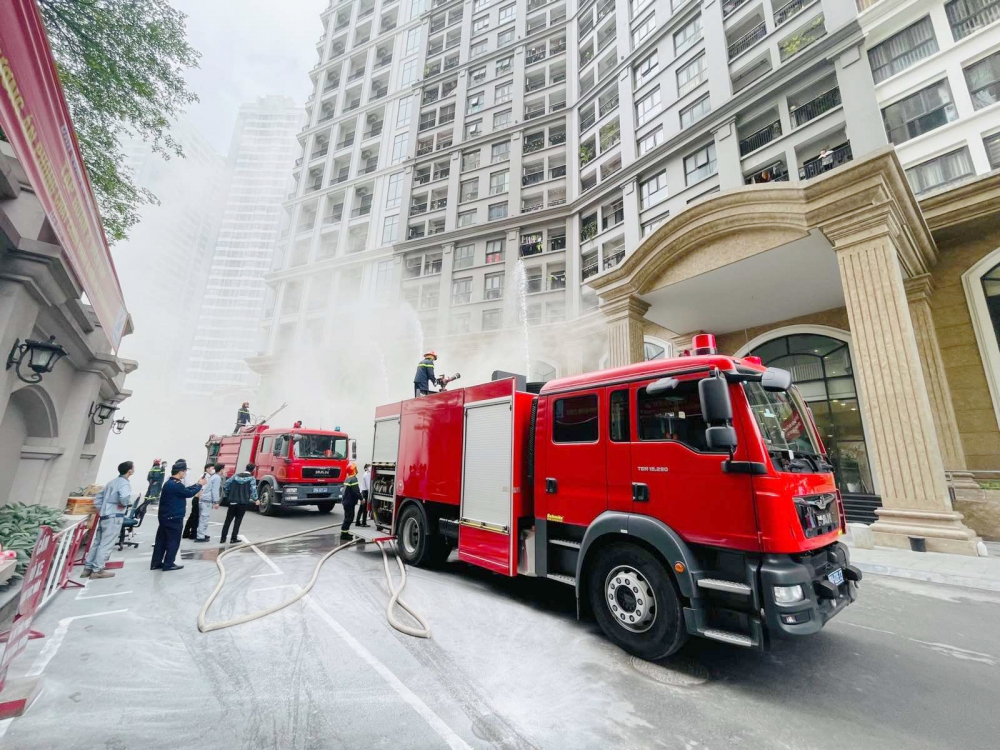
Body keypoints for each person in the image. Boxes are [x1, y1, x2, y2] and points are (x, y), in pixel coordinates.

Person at [82, 461, 134, 579]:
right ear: (129, 471)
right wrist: (124, 504)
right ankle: (98, 570)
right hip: (114, 516)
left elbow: (98, 499)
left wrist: (103, 510)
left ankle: (88, 568)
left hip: (105, 515)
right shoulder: (124, 484)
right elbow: (124, 497)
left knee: (98, 542)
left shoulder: (112, 482)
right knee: (106, 544)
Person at [152, 460, 205, 571]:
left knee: (161, 541)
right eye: (184, 472)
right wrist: (200, 485)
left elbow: (185, 490)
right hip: (174, 517)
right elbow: (188, 493)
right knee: (173, 541)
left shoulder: (169, 483)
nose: (185, 474)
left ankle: (156, 563)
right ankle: (168, 564)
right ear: (180, 472)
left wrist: (196, 484)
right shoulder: (176, 484)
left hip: (164, 517)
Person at [221, 463, 259, 543]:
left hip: (233, 501)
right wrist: (256, 499)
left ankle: (223, 538)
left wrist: (228, 494)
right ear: (253, 470)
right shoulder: (252, 479)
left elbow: (226, 485)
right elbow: (253, 490)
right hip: (243, 502)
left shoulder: (235, 476)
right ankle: (233, 538)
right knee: (238, 520)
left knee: (228, 520)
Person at [182, 464, 212, 540]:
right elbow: (201, 488)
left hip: (197, 498)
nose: (213, 470)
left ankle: (186, 533)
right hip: (198, 498)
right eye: (212, 468)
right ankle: (193, 534)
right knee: (195, 518)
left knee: (193, 517)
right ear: (207, 469)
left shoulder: (206, 476)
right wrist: (200, 499)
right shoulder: (205, 476)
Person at [195, 463, 223, 543]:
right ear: (221, 470)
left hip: (203, 499)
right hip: (207, 500)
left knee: (202, 518)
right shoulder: (217, 478)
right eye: (223, 469)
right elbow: (215, 491)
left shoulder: (213, 476)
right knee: (204, 518)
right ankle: (200, 536)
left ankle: (201, 534)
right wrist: (216, 502)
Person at [340, 463, 361, 541]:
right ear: (353, 470)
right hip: (349, 502)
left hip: (346, 502)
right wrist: (361, 499)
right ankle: (344, 535)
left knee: (347, 517)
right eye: (355, 468)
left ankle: (345, 532)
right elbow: (356, 492)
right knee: (349, 518)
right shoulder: (353, 479)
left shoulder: (348, 478)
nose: (356, 469)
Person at [355, 463, 371, 527]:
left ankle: (357, 522)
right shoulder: (367, 474)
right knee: (364, 509)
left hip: (363, 492)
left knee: (361, 509)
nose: (370, 468)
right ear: (365, 468)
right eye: (369, 467)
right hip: (365, 492)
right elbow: (368, 486)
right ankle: (364, 523)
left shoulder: (366, 474)